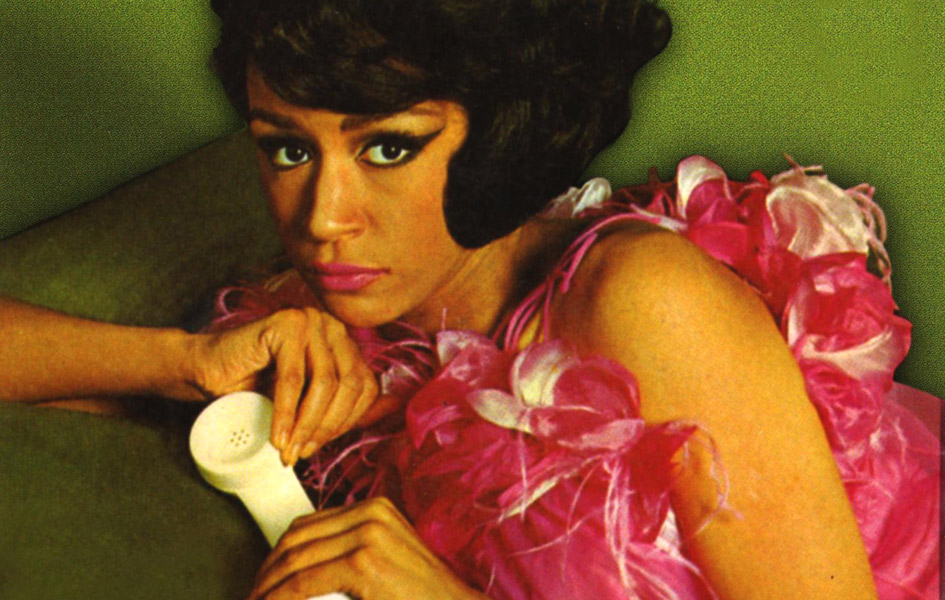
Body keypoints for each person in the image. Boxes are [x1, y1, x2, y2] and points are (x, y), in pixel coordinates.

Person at [0, 1, 937, 599]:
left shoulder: (644, 301)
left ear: (500, 131)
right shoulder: (322, 333)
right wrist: (184, 362)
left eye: (388, 148)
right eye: (287, 148)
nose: (323, 218)